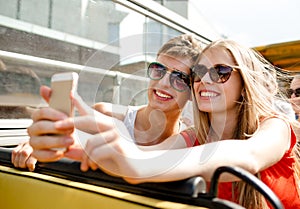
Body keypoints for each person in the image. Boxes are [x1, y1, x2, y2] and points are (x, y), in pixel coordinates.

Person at [12, 34, 202, 171]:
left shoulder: (190, 139)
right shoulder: (105, 114)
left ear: (192, 91)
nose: (162, 82)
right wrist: (37, 145)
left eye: (179, 78)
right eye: (158, 70)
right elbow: (68, 140)